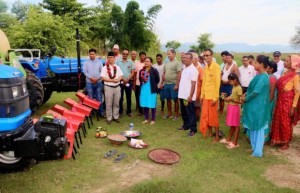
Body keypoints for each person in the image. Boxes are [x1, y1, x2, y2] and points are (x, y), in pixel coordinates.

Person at [241, 55, 270, 157]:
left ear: (261, 64)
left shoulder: (264, 77)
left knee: (258, 127)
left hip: (258, 105)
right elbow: (251, 90)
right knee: (253, 126)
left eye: (255, 63)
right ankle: (254, 147)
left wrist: (246, 98)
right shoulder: (259, 75)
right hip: (253, 104)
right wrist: (245, 94)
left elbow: (256, 92)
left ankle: (257, 151)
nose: (253, 64)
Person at [271, 55, 300, 150]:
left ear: (293, 64)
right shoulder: (284, 72)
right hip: (280, 99)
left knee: (285, 121)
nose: (284, 62)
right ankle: (278, 139)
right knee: (278, 119)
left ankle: (285, 142)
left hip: (288, 102)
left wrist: (293, 106)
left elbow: (297, 92)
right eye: (285, 61)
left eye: (287, 61)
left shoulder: (295, 76)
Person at [199, 49, 221, 142]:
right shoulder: (205, 67)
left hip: (212, 96)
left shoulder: (216, 67)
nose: (206, 57)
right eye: (204, 55)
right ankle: (210, 132)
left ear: (212, 56)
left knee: (213, 116)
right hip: (205, 96)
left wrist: (215, 98)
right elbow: (204, 82)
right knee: (206, 115)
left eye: (207, 55)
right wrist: (201, 95)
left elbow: (217, 83)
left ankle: (216, 136)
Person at [178, 53, 198, 136]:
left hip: (188, 96)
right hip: (182, 95)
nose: (184, 59)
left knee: (190, 113)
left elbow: (193, 84)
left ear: (191, 59)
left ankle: (193, 129)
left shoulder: (193, 70)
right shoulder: (184, 67)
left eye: (186, 58)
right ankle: (186, 125)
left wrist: (190, 96)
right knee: (183, 112)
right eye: (184, 58)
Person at [220, 73, 242, 148]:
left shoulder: (239, 88)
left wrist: (232, 99)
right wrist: (227, 97)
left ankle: (235, 142)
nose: (230, 83)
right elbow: (232, 96)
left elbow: (240, 101)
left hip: (235, 108)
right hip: (231, 106)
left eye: (230, 81)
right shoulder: (234, 87)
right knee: (232, 124)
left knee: (236, 125)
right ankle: (228, 139)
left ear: (235, 80)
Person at [101, 51, 123, 124]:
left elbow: (121, 76)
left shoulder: (117, 67)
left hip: (117, 87)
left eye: (112, 57)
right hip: (108, 87)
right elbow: (102, 78)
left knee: (116, 103)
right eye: (109, 57)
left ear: (114, 58)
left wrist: (118, 79)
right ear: (107, 58)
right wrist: (112, 80)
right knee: (108, 103)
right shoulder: (104, 68)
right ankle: (109, 118)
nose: (110, 59)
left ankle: (116, 117)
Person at [161, 49, 182, 120]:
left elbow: (179, 74)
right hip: (166, 84)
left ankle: (176, 114)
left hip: (173, 84)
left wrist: (177, 85)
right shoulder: (166, 63)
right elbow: (164, 73)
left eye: (169, 54)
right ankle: (169, 114)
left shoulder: (177, 63)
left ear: (174, 54)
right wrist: (162, 83)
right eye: (168, 54)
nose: (168, 55)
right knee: (168, 99)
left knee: (175, 100)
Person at [83, 48, 104, 116]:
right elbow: (85, 72)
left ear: (95, 54)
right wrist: (92, 78)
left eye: (93, 54)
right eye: (90, 54)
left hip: (98, 82)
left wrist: (97, 79)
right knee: (90, 98)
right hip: (89, 82)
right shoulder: (86, 62)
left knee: (99, 97)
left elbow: (102, 72)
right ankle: (91, 113)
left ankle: (100, 113)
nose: (92, 55)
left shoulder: (99, 62)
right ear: (88, 54)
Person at [139, 57, 160, 125]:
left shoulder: (154, 70)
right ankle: (146, 118)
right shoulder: (141, 71)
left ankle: (153, 119)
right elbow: (140, 79)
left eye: (148, 61)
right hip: (144, 89)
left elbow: (157, 79)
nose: (146, 62)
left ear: (151, 63)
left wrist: (153, 84)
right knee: (145, 104)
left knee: (152, 104)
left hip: (151, 89)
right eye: (145, 61)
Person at [116, 49, 135, 117]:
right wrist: (123, 79)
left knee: (129, 97)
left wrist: (127, 79)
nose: (125, 55)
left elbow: (132, 72)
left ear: (128, 55)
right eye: (124, 53)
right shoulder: (118, 62)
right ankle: (120, 112)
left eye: (126, 54)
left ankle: (129, 111)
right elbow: (117, 72)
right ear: (122, 54)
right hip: (120, 81)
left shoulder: (131, 62)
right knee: (120, 97)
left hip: (128, 82)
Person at [263, 61, 278, 143]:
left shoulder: (272, 78)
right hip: (266, 100)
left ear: (272, 69)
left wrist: (267, 104)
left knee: (267, 118)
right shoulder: (268, 76)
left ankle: (265, 138)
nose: (266, 68)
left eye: (268, 67)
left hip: (269, 101)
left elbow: (271, 93)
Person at [133, 51, 146, 116]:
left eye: (143, 56)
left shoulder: (146, 64)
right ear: (139, 57)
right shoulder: (137, 63)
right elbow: (135, 74)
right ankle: (140, 110)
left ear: (145, 57)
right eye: (141, 56)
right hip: (137, 83)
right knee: (137, 96)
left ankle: (144, 109)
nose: (142, 57)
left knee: (143, 96)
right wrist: (134, 83)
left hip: (144, 83)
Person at [192, 52, 203, 120]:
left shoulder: (200, 69)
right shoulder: (191, 67)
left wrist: (200, 93)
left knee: (197, 106)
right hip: (192, 90)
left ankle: (197, 118)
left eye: (191, 58)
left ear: (196, 59)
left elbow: (202, 81)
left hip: (197, 91)